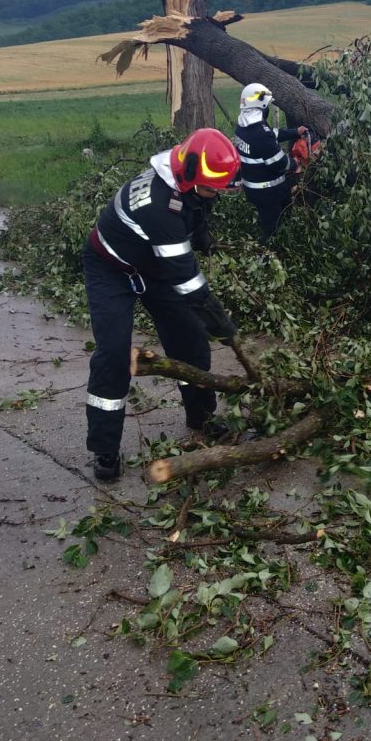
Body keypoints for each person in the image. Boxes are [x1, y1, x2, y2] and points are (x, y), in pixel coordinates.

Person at [82, 128, 240, 481]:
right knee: (114, 352)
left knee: (191, 340)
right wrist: (224, 326)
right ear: (188, 171)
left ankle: (201, 416)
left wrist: (203, 238)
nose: (217, 190)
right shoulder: (159, 207)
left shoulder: (186, 178)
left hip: (153, 265)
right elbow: (188, 282)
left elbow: (196, 209)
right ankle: (104, 448)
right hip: (110, 268)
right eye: (213, 184)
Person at [234, 83, 309, 245]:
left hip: (253, 188)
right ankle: (270, 257)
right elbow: (278, 162)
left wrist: (295, 132)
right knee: (273, 229)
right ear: (260, 106)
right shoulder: (260, 133)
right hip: (269, 192)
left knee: (277, 220)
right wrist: (295, 164)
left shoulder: (243, 126)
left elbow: (272, 134)